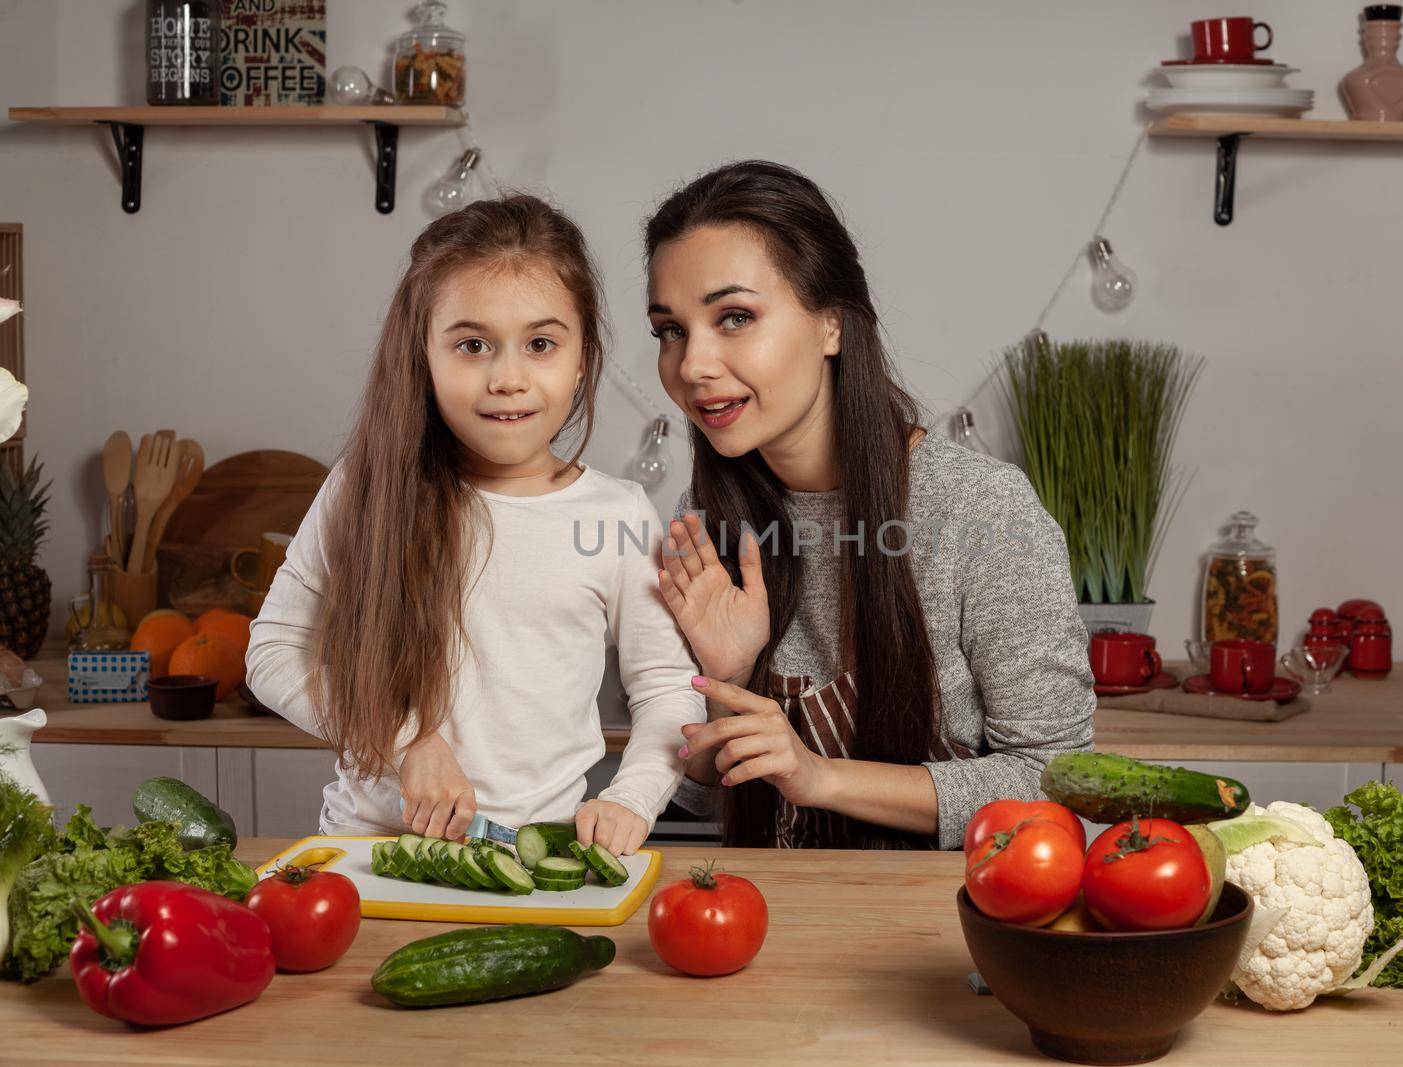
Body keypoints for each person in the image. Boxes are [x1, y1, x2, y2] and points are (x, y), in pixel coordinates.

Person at [643, 161, 1095, 849]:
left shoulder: (981, 511)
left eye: (734, 317)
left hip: (945, 930)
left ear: (831, 324)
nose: (693, 364)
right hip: (766, 924)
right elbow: (700, 790)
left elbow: (1061, 782)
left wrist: (820, 777)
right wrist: (727, 679)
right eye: (670, 330)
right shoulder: (707, 518)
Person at [246, 195, 704, 855]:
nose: (508, 378)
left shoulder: (618, 515)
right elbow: (272, 652)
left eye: (541, 344)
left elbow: (666, 688)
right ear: (424, 356)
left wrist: (631, 798)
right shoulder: (366, 484)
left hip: (531, 864)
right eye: (471, 345)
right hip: (366, 855)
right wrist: (406, 741)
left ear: (581, 358)